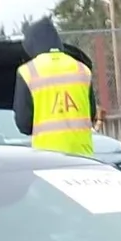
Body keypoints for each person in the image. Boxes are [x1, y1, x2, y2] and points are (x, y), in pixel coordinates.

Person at [12, 17, 96, 158]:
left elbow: (24, 124)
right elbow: (91, 114)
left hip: (48, 158)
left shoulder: (28, 72)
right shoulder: (82, 69)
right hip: (84, 158)